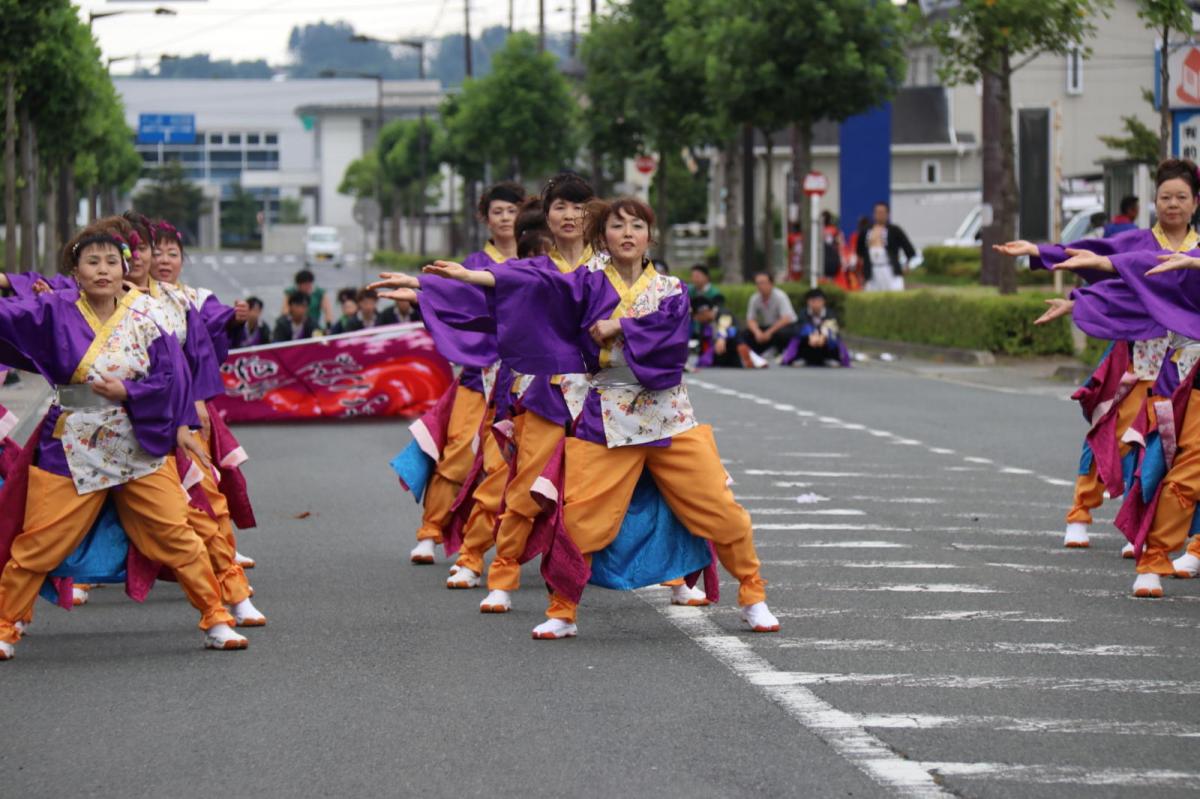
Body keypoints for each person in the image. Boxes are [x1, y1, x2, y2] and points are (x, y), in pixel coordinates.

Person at [411, 197, 779, 639]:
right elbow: (533, 293)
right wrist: (466, 278)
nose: (627, 233)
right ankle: (562, 610)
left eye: (637, 226)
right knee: (580, 520)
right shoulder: (584, 284)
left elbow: (671, 340)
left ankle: (753, 596)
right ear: (601, 235)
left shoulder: (672, 289)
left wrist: (621, 327)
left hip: (668, 416)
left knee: (722, 510)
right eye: (617, 225)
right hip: (605, 414)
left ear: (649, 236)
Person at [0, 225, 248, 658]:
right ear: (75, 271)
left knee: (177, 534)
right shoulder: (54, 310)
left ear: (124, 269)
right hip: (71, 442)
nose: (103, 271)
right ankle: (5, 627)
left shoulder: (147, 314)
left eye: (111, 262)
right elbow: (9, 317)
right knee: (39, 541)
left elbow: (172, 376)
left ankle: (216, 616)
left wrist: (133, 396)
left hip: (139, 440)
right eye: (92, 262)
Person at [995, 158, 1199, 552]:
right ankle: (1080, 511)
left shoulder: (1197, 252)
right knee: (1112, 435)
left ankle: (1150, 532)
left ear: (1195, 203)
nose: (1172, 204)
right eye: (1165, 197)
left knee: (1175, 456)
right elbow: (1095, 257)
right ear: (1153, 201)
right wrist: (1040, 251)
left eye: (1181, 197)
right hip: (1139, 361)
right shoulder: (1138, 243)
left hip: (1188, 370)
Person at [395, 180, 525, 592]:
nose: (506, 218)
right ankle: (431, 532)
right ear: (485, 218)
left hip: (531, 376)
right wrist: (420, 291)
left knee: (524, 464)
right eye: (498, 211)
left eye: (512, 210)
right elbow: (451, 301)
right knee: (457, 453)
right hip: (480, 375)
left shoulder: (539, 257)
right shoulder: (473, 261)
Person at [856, 201, 916, 292]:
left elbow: (909, 249)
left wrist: (907, 265)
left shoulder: (894, 230)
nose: (880, 215)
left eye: (882, 212)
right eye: (877, 212)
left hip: (890, 270)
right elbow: (859, 251)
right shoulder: (866, 231)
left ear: (887, 214)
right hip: (872, 271)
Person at [740, 271, 797, 365]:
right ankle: (753, 354)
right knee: (745, 334)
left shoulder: (780, 296)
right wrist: (757, 332)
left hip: (783, 327)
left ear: (771, 284)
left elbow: (786, 319)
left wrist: (768, 332)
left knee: (784, 333)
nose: (760, 286)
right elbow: (750, 319)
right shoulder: (755, 298)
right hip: (768, 327)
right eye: (757, 283)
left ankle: (780, 351)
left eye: (763, 283)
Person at [781, 288, 849, 367]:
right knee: (799, 338)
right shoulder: (803, 313)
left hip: (824, 342)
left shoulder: (830, 314)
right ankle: (802, 358)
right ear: (808, 302)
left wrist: (823, 337)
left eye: (819, 301)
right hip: (809, 341)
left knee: (833, 338)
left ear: (823, 302)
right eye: (813, 301)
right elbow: (800, 328)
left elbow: (832, 328)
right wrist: (810, 336)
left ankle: (830, 358)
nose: (816, 304)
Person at [821, 211, 845, 282]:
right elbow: (841, 243)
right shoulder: (835, 230)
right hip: (831, 257)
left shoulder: (821, 230)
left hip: (827, 257)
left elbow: (840, 243)